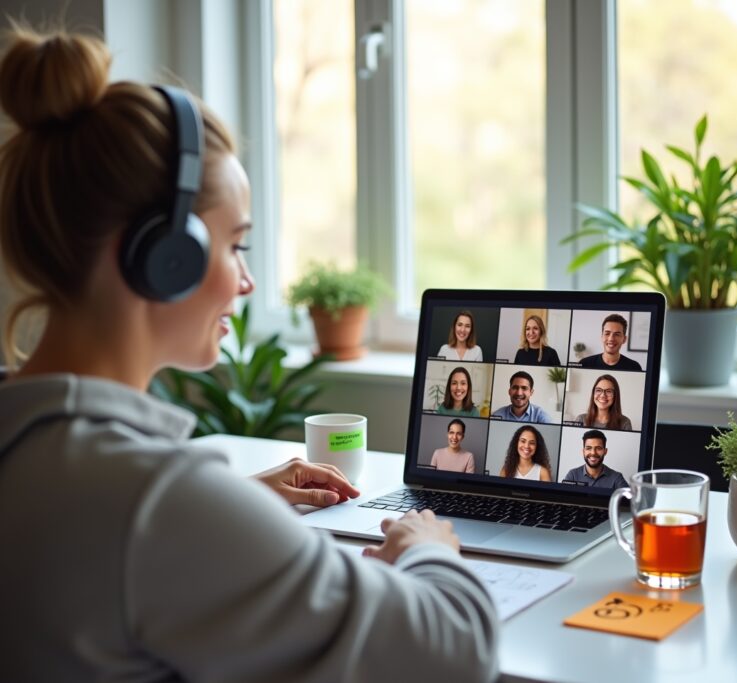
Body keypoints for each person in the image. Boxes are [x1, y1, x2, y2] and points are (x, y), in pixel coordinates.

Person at [0, 26, 498, 682]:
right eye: (236, 245)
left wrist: (230, 504)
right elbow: (454, 653)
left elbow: (99, 535)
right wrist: (426, 548)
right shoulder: (155, 503)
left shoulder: (47, 457)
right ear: (164, 255)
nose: (247, 282)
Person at [562, 429, 629, 489]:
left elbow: (629, 498)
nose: (593, 453)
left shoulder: (616, 478)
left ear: (605, 451)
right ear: (583, 451)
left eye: (598, 448)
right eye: (588, 448)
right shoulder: (573, 475)